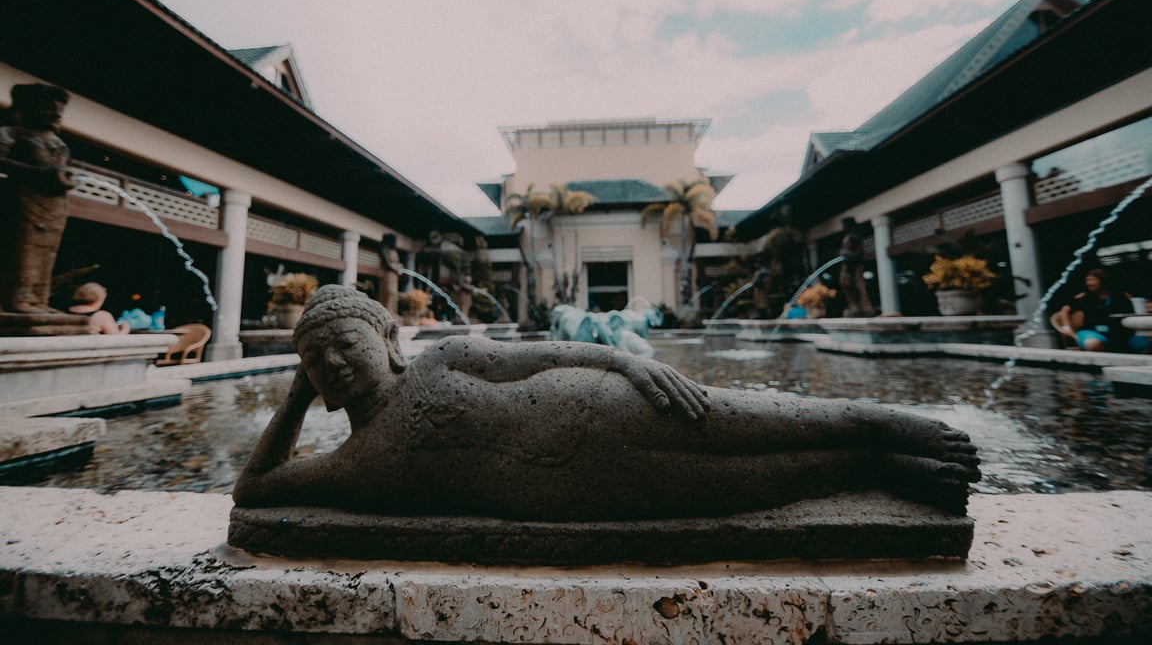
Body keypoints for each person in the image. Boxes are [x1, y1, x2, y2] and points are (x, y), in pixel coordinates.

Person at [233, 286, 980, 521]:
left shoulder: (441, 361)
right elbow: (254, 490)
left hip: (608, 405)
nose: (335, 364)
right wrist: (300, 389)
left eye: (347, 348)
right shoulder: (354, 463)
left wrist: (624, 359)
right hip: (596, 490)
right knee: (756, 486)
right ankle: (877, 469)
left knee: (747, 421)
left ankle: (878, 422)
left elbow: (546, 353)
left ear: (390, 344)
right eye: (318, 362)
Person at [0, 84, 74, 313]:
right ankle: (18, 297)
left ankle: (39, 299)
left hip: (55, 204)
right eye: (48, 109)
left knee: (48, 249)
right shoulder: (10, 133)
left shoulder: (59, 142)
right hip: (22, 199)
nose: (56, 114)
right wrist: (37, 173)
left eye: (59, 110)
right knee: (23, 247)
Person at [1058, 268, 1148, 353]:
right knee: (1092, 344)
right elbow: (1065, 310)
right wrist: (1067, 328)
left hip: (1120, 333)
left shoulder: (1120, 296)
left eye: (1092, 280)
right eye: (1087, 280)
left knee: (1144, 344)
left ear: (1103, 280)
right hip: (1093, 331)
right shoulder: (1085, 297)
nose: (1088, 283)